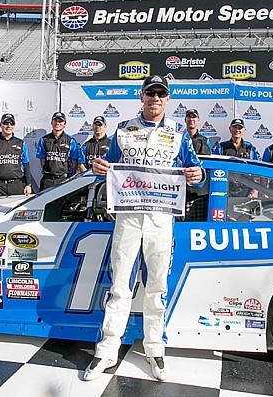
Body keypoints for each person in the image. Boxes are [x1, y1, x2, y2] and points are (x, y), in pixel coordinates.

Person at [84, 75, 204, 383]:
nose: (155, 98)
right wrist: (99, 168)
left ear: (167, 100)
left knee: (157, 287)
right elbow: (106, 168)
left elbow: (197, 171)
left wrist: (197, 174)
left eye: (160, 94)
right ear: (141, 96)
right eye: (150, 92)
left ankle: (155, 349)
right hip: (128, 217)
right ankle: (107, 350)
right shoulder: (124, 129)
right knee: (120, 286)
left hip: (161, 219)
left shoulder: (178, 132)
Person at [0, 113, 33, 197]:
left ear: (14, 125)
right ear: (0, 125)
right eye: (5, 123)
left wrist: (28, 184)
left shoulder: (21, 143)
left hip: (16, 185)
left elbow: (26, 164)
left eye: (11, 123)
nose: (8, 126)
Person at [36, 111, 85, 190]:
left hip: (63, 180)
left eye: (60, 121)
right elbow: (42, 160)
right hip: (47, 180)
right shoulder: (44, 140)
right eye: (55, 120)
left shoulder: (70, 141)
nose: (57, 123)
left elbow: (74, 163)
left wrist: (70, 177)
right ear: (51, 122)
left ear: (64, 124)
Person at [214, 118, 259, 197]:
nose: (237, 130)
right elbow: (215, 168)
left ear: (244, 130)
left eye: (240, 128)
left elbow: (256, 170)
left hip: (246, 189)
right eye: (235, 127)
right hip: (226, 188)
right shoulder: (221, 147)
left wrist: (255, 190)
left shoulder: (249, 148)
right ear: (230, 129)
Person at [184, 108, 211, 211]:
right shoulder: (179, 138)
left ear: (198, 120)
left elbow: (209, 166)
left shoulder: (205, 141)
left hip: (199, 191)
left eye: (194, 117)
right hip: (182, 187)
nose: (191, 119)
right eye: (189, 117)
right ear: (185, 120)